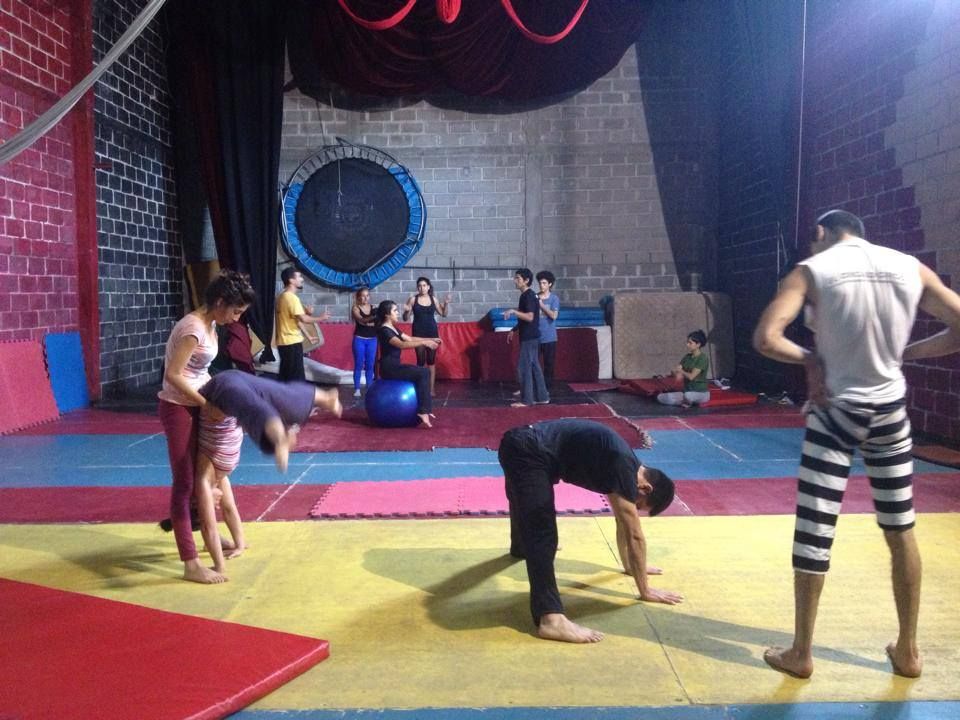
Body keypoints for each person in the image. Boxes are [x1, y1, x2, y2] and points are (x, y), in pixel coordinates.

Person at [753, 209, 960, 680]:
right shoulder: (909, 267)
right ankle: (908, 651)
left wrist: (812, 360)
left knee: (814, 531)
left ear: (821, 233)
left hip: (835, 414)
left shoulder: (813, 270)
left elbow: (766, 339)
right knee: (900, 528)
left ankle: (801, 653)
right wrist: (908, 353)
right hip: (889, 415)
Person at [498, 418, 682, 643]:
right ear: (646, 488)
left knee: (526, 504)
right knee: (543, 535)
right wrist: (646, 591)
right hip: (529, 452)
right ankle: (551, 619)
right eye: (639, 505)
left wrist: (631, 567)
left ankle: (521, 547)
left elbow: (623, 523)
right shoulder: (624, 467)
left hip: (519, 443)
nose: (634, 508)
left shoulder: (623, 466)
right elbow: (635, 535)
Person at [192, 369, 343, 579]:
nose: (216, 506)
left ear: (196, 502)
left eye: (210, 506)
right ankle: (325, 397)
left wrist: (219, 567)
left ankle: (281, 438)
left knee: (255, 409)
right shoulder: (220, 478)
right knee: (281, 397)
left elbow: (208, 527)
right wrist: (239, 544)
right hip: (234, 395)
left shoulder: (203, 481)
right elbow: (229, 510)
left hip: (220, 391)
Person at [158, 269, 255, 585]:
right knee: (185, 482)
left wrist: (221, 396)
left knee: (209, 477)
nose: (236, 319)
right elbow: (173, 374)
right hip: (179, 407)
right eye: (236, 312)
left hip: (198, 404)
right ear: (221, 302)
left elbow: (198, 370)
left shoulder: (210, 325)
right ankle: (190, 563)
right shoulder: (193, 328)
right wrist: (206, 404)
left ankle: (207, 532)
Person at [375, 300, 441, 428]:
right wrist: (424, 343)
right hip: (389, 369)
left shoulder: (393, 328)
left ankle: (425, 410)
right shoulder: (384, 330)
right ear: (387, 314)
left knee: (424, 372)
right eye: (395, 311)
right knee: (423, 372)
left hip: (395, 366)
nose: (398, 313)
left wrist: (430, 339)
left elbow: (410, 338)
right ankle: (423, 411)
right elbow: (401, 344)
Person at [504, 268, 549, 408]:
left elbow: (529, 317)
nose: (515, 280)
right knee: (535, 367)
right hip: (533, 336)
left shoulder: (528, 296)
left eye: (518, 278)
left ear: (526, 280)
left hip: (529, 338)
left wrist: (513, 311)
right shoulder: (530, 295)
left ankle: (526, 400)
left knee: (524, 367)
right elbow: (526, 318)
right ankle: (542, 397)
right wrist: (514, 329)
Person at [275, 267, 330, 382]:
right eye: (299, 277)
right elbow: (303, 319)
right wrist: (321, 318)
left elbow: (296, 320)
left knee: (286, 375)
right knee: (296, 377)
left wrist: (308, 336)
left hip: (285, 342)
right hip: (291, 342)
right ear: (291, 280)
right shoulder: (291, 298)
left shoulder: (281, 296)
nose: (302, 279)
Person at [403, 276, 450, 396]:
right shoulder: (413, 299)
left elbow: (443, 314)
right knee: (420, 361)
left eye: (424, 285)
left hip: (432, 332)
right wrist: (407, 310)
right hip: (418, 333)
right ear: (417, 288)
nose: (422, 288)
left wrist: (446, 304)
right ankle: (420, 388)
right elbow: (405, 318)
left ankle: (431, 389)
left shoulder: (433, 299)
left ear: (428, 287)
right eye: (419, 286)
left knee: (431, 361)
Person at [656, 330, 710, 407]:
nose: (687, 345)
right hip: (686, 391)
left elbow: (691, 377)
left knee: (688, 395)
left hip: (700, 393)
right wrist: (676, 374)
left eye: (690, 343)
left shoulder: (702, 358)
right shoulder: (687, 357)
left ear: (698, 344)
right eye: (687, 342)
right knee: (661, 397)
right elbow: (676, 370)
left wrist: (681, 371)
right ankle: (686, 402)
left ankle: (687, 401)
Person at [351, 287, 377, 398]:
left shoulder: (373, 308)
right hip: (360, 339)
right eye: (363, 296)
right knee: (359, 364)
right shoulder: (355, 308)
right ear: (358, 297)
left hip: (372, 339)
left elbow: (378, 323)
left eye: (367, 295)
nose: (365, 298)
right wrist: (374, 317)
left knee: (370, 365)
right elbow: (362, 320)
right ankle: (357, 388)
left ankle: (369, 387)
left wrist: (377, 317)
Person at [536, 270, 561, 387]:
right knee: (532, 364)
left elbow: (554, 316)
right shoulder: (535, 297)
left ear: (550, 284)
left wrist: (541, 305)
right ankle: (531, 387)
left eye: (544, 283)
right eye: (540, 283)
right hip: (535, 337)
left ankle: (546, 390)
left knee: (549, 366)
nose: (541, 285)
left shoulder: (554, 299)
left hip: (549, 338)